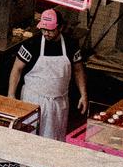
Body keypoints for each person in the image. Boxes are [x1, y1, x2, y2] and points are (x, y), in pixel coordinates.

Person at [7, 8, 89, 140]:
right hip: (33, 101)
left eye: (50, 30)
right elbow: (17, 69)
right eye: (43, 29)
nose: (46, 33)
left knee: (54, 140)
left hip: (59, 103)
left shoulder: (71, 45)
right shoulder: (32, 44)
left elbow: (78, 70)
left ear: (60, 27)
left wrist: (83, 95)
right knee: (29, 139)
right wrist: (11, 95)